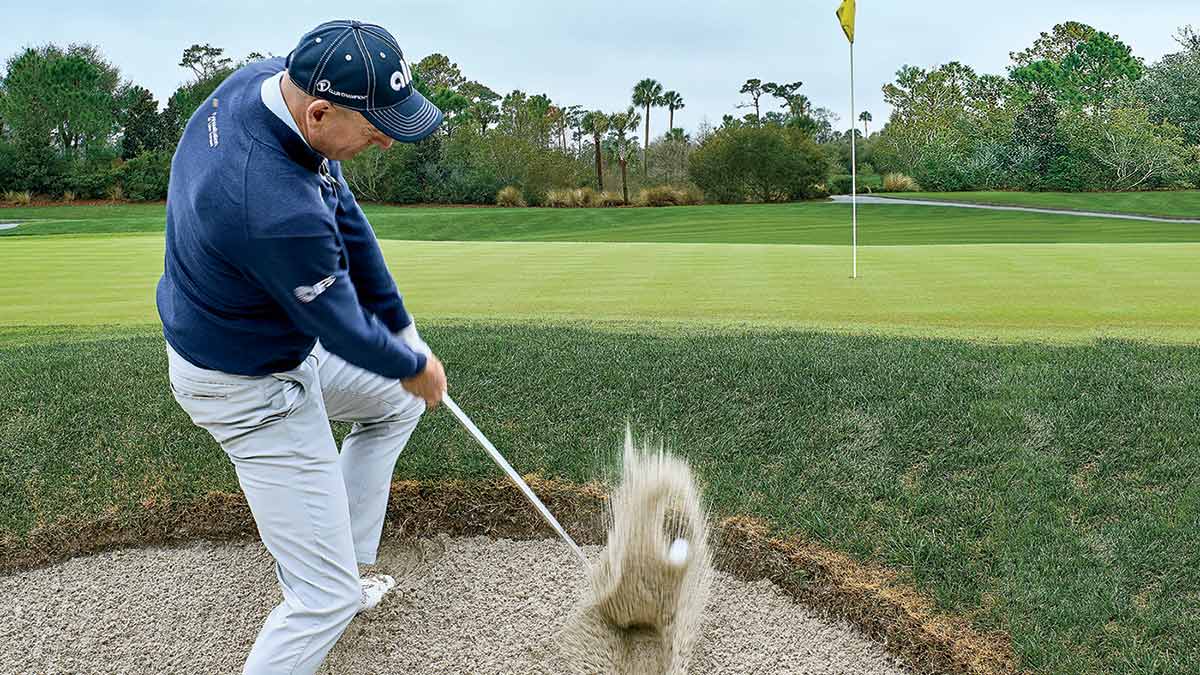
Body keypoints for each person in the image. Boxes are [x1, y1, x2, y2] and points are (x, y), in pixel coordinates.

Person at [156, 19, 447, 674]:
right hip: (247, 388)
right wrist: (412, 366)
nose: (382, 141)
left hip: (271, 344)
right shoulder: (271, 206)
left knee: (393, 406)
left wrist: (402, 329)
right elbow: (343, 327)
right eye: (373, 130)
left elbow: (346, 214)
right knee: (323, 600)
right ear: (319, 111)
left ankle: (344, 560)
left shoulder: (265, 80)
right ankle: (333, 583)